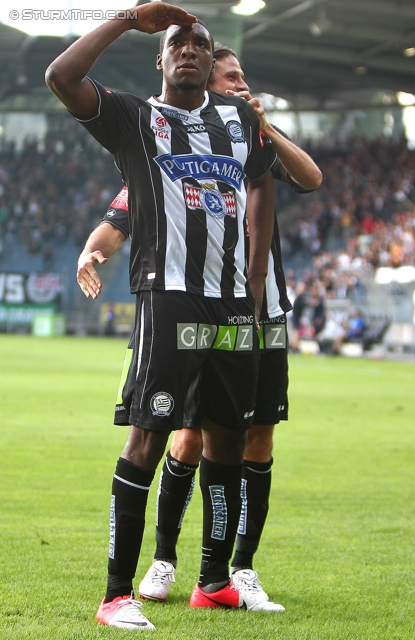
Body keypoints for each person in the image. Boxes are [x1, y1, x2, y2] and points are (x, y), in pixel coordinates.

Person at [46, 6, 279, 629]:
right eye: (178, 44)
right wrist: (128, 18)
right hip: (168, 299)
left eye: (200, 44)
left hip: (232, 305)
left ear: (211, 60)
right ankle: (116, 591)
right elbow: (61, 77)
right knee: (148, 436)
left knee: (226, 439)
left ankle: (213, 580)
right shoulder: (134, 118)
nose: (189, 51)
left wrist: (255, 284)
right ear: (161, 58)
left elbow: (264, 183)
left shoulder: (237, 121)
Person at [77, 44, 322, 613]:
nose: (240, 85)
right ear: (202, 82)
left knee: (250, 436)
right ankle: (162, 559)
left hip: (262, 312)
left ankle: (235, 570)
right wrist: (92, 252)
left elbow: (308, 178)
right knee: (182, 435)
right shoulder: (168, 142)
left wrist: (262, 120)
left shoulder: (246, 137)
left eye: (242, 77)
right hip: (183, 304)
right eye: (229, 77)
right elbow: (119, 215)